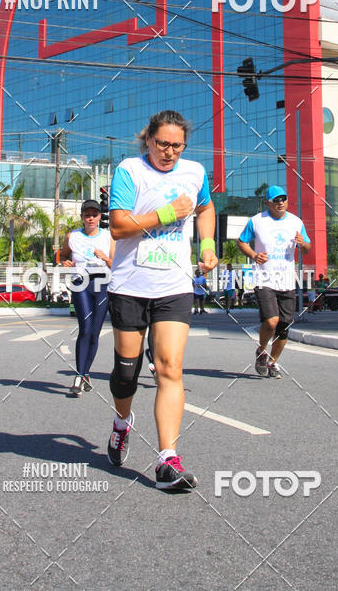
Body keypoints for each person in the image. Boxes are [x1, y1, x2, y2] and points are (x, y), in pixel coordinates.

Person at [105, 110, 217, 491]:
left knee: (170, 368)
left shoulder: (195, 172)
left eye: (176, 145)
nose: (169, 152)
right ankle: (122, 424)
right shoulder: (130, 171)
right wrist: (168, 213)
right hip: (130, 285)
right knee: (126, 372)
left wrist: (207, 243)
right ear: (147, 140)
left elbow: (205, 208)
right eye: (162, 144)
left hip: (174, 285)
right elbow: (119, 226)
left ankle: (167, 459)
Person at [237, 185, 311, 379]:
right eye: (276, 200)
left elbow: (307, 249)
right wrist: (254, 255)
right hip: (264, 277)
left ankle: (272, 362)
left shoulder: (296, 222)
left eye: (283, 199)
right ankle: (261, 351)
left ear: (287, 201)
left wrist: (302, 243)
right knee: (271, 320)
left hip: (286, 279)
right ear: (268, 203)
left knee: (284, 325)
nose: (280, 203)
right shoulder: (257, 221)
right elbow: (241, 241)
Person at [59, 199, 115, 396]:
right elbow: (62, 255)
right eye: (87, 215)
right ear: (82, 217)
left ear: (100, 217)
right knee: (85, 327)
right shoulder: (72, 236)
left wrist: (105, 258)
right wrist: (64, 261)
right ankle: (79, 375)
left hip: (102, 284)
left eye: (94, 215)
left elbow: (117, 263)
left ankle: (85, 373)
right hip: (80, 283)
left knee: (94, 332)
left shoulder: (108, 237)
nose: (91, 218)